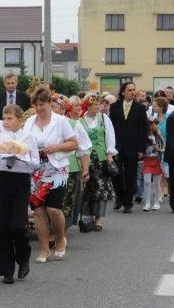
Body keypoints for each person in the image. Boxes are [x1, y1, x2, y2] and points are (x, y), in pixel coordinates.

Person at [24, 85, 78, 263]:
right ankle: (44, 249)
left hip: (56, 169)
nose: (39, 108)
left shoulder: (60, 121)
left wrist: (57, 147)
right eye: (36, 105)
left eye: (42, 104)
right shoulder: (30, 122)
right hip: (36, 171)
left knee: (53, 209)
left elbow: (73, 143)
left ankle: (60, 238)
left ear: (49, 103)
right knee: (38, 212)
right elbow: (23, 144)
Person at [0, 104, 39, 283]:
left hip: (21, 181)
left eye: (10, 119)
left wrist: (20, 155)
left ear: (20, 121)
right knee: (3, 227)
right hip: (4, 180)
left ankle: (24, 257)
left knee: (17, 225)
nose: (6, 122)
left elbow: (36, 163)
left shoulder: (29, 138)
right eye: (4, 118)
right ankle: (7, 270)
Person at [107, 81, 149, 213]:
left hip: (133, 147)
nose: (132, 92)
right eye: (129, 90)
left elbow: (144, 129)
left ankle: (128, 203)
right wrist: (110, 147)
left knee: (131, 175)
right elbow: (110, 128)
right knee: (116, 174)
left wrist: (142, 149)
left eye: (134, 90)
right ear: (123, 92)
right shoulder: (114, 107)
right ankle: (120, 196)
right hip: (117, 147)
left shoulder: (140, 108)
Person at [78, 93, 117, 232]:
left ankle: (99, 219)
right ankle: (87, 218)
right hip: (86, 158)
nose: (98, 107)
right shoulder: (80, 120)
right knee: (87, 188)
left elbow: (110, 135)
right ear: (87, 106)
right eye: (95, 105)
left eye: (97, 105)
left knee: (101, 188)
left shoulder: (103, 118)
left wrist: (110, 154)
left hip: (100, 157)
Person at [56, 94, 91, 233]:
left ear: (64, 108)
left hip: (69, 169)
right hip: (48, 169)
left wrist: (85, 169)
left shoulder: (74, 125)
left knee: (66, 200)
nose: (51, 109)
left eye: (55, 106)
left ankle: (62, 232)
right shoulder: (43, 123)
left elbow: (83, 149)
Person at [141, 120, 163, 211]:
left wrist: (159, 149)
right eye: (148, 126)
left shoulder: (158, 136)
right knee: (147, 182)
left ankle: (156, 202)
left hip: (157, 160)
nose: (150, 128)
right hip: (147, 160)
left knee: (156, 183)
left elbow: (163, 147)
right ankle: (147, 203)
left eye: (152, 126)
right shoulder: (142, 137)